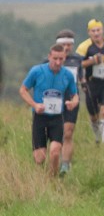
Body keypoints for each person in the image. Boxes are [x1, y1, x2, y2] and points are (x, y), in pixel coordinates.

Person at [19, 44, 79, 177]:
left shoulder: (67, 75)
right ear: (49, 57)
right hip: (39, 117)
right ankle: (40, 179)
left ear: (64, 58)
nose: (58, 62)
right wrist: (34, 105)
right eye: (55, 59)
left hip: (57, 118)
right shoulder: (37, 71)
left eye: (61, 59)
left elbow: (75, 95)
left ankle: (52, 180)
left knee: (55, 151)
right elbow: (23, 90)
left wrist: (72, 103)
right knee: (39, 158)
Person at [54, 29, 85, 176]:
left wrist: (84, 85)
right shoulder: (50, 60)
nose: (67, 47)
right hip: (54, 100)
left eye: (69, 44)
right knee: (57, 135)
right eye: (64, 44)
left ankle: (65, 166)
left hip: (72, 100)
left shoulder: (77, 59)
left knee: (68, 133)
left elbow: (81, 77)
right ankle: (54, 160)